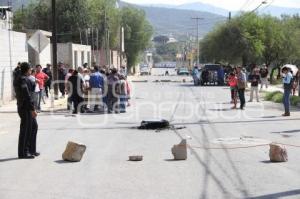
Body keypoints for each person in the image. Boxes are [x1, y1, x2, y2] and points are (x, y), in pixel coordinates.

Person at [13, 62, 38, 159]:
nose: (30, 70)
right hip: (25, 107)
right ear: (27, 70)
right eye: (30, 69)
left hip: (25, 106)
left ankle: (31, 149)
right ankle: (23, 153)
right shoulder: (22, 79)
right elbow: (26, 95)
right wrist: (32, 109)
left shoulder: (20, 77)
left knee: (34, 126)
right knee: (25, 130)